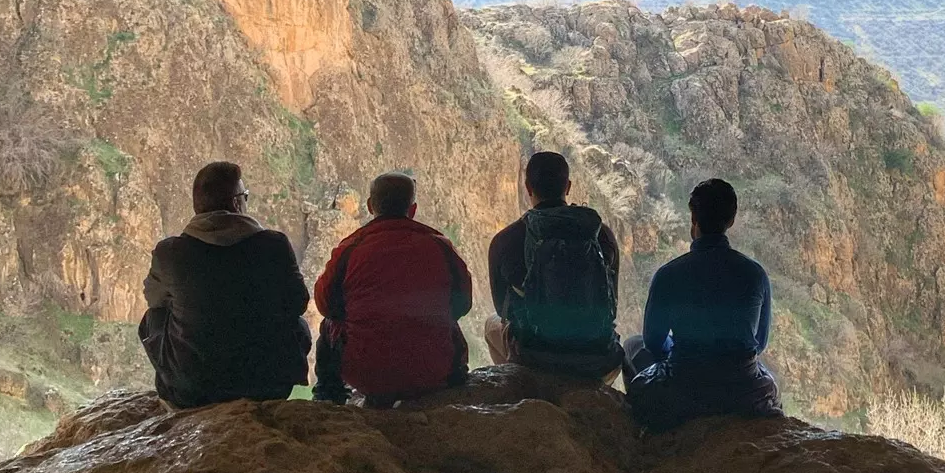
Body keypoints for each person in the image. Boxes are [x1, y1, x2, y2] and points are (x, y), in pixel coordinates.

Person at [139, 161, 311, 409]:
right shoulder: (274, 244)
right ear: (236, 202)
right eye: (246, 197)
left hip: (194, 391)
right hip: (268, 385)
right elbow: (298, 302)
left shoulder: (170, 253)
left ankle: (173, 389)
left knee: (153, 317)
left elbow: (154, 301)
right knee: (298, 324)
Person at [622, 178, 783, 431]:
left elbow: (653, 342)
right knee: (765, 377)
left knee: (632, 346)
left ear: (693, 219)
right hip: (743, 391)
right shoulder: (755, 274)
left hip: (684, 389)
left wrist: (684, 353)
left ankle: (647, 433)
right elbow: (758, 343)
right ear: (731, 221)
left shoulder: (669, 274)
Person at [313, 172, 473, 407]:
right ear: (413, 209)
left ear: (370, 206)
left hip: (367, 374)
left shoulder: (351, 249)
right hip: (433, 370)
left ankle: (329, 399)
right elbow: (462, 304)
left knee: (328, 325)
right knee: (449, 323)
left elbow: (325, 304)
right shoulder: (439, 246)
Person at [485, 150, 622, 380]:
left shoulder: (506, 240)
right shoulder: (600, 234)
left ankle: (518, 385)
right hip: (597, 361)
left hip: (533, 359)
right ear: (567, 187)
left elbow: (502, 310)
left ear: (528, 187)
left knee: (491, 324)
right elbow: (611, 306)